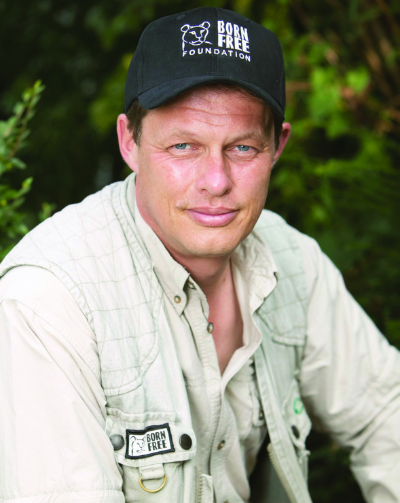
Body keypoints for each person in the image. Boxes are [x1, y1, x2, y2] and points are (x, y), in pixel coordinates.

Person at [0, 6, 399, 503]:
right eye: (184, 146)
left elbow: (386, 412)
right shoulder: (49, 300)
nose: (216, 181)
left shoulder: (293, 260)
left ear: (278, 146)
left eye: (242, 149)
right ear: (130, 141)